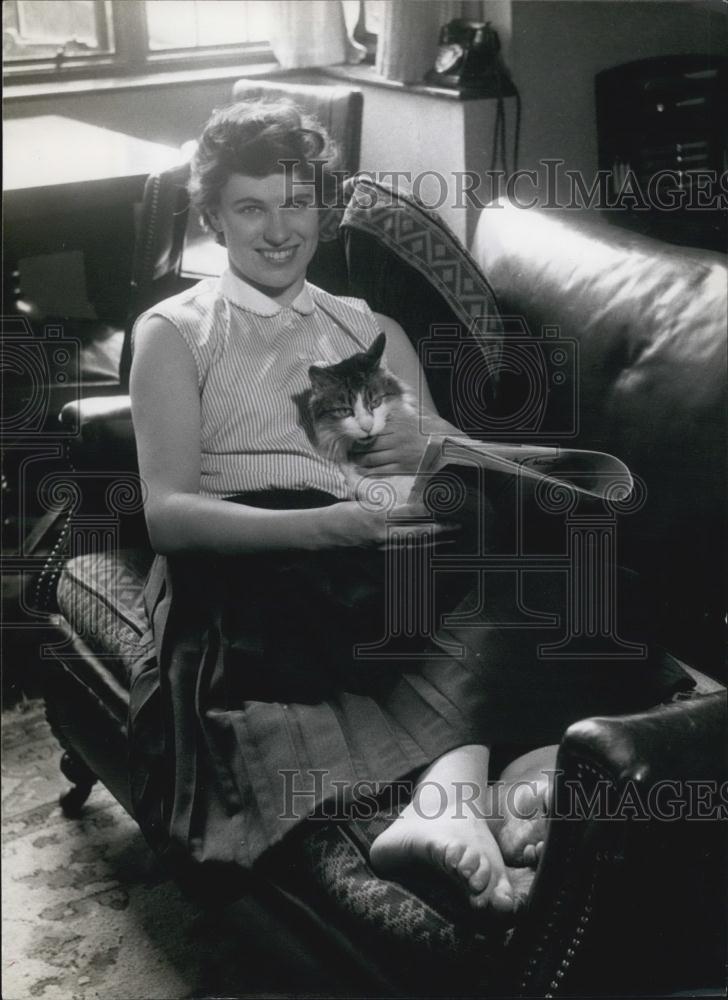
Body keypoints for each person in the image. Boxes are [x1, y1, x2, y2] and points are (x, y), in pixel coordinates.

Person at [129, 100, 692, 916]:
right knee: (448, 605)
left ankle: (453, 794)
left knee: (583, 578)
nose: (279, 228)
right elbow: (170, 514)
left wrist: (433, 448)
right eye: (251, 207)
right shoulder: (175, 333)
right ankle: (504, 769)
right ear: (214, 216)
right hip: (253, 565)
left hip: (373, 558)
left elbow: (438, 488)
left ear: (323, 205)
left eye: (296, 201)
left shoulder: (370, 328)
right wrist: (318, 524)